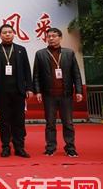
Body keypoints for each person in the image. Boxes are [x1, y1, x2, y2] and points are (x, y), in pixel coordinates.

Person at [33, 27, 83, 157]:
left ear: (60, 38)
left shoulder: (69, 53)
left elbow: (76, 74)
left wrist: (78, 91)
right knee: (50, 123)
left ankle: (70, 148)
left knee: (68, 123)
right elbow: (36, 75)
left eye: (54, 36)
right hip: (49, 95)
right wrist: (37, 91)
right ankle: (50, 148)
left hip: (66, 94)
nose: (51, 38)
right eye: (49, 36)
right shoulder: (40, 54)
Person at [0, 24, 33, 158]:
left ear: (14, 34)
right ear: (0, 35)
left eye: (10, 32)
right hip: (1, 92)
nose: (7, 34)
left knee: (19, 120)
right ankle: (5, 146)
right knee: (4, 120)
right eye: (4, 32)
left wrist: (29, 88)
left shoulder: (21, 50)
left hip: (18, 91)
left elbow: (27, 70)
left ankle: (19, 147)